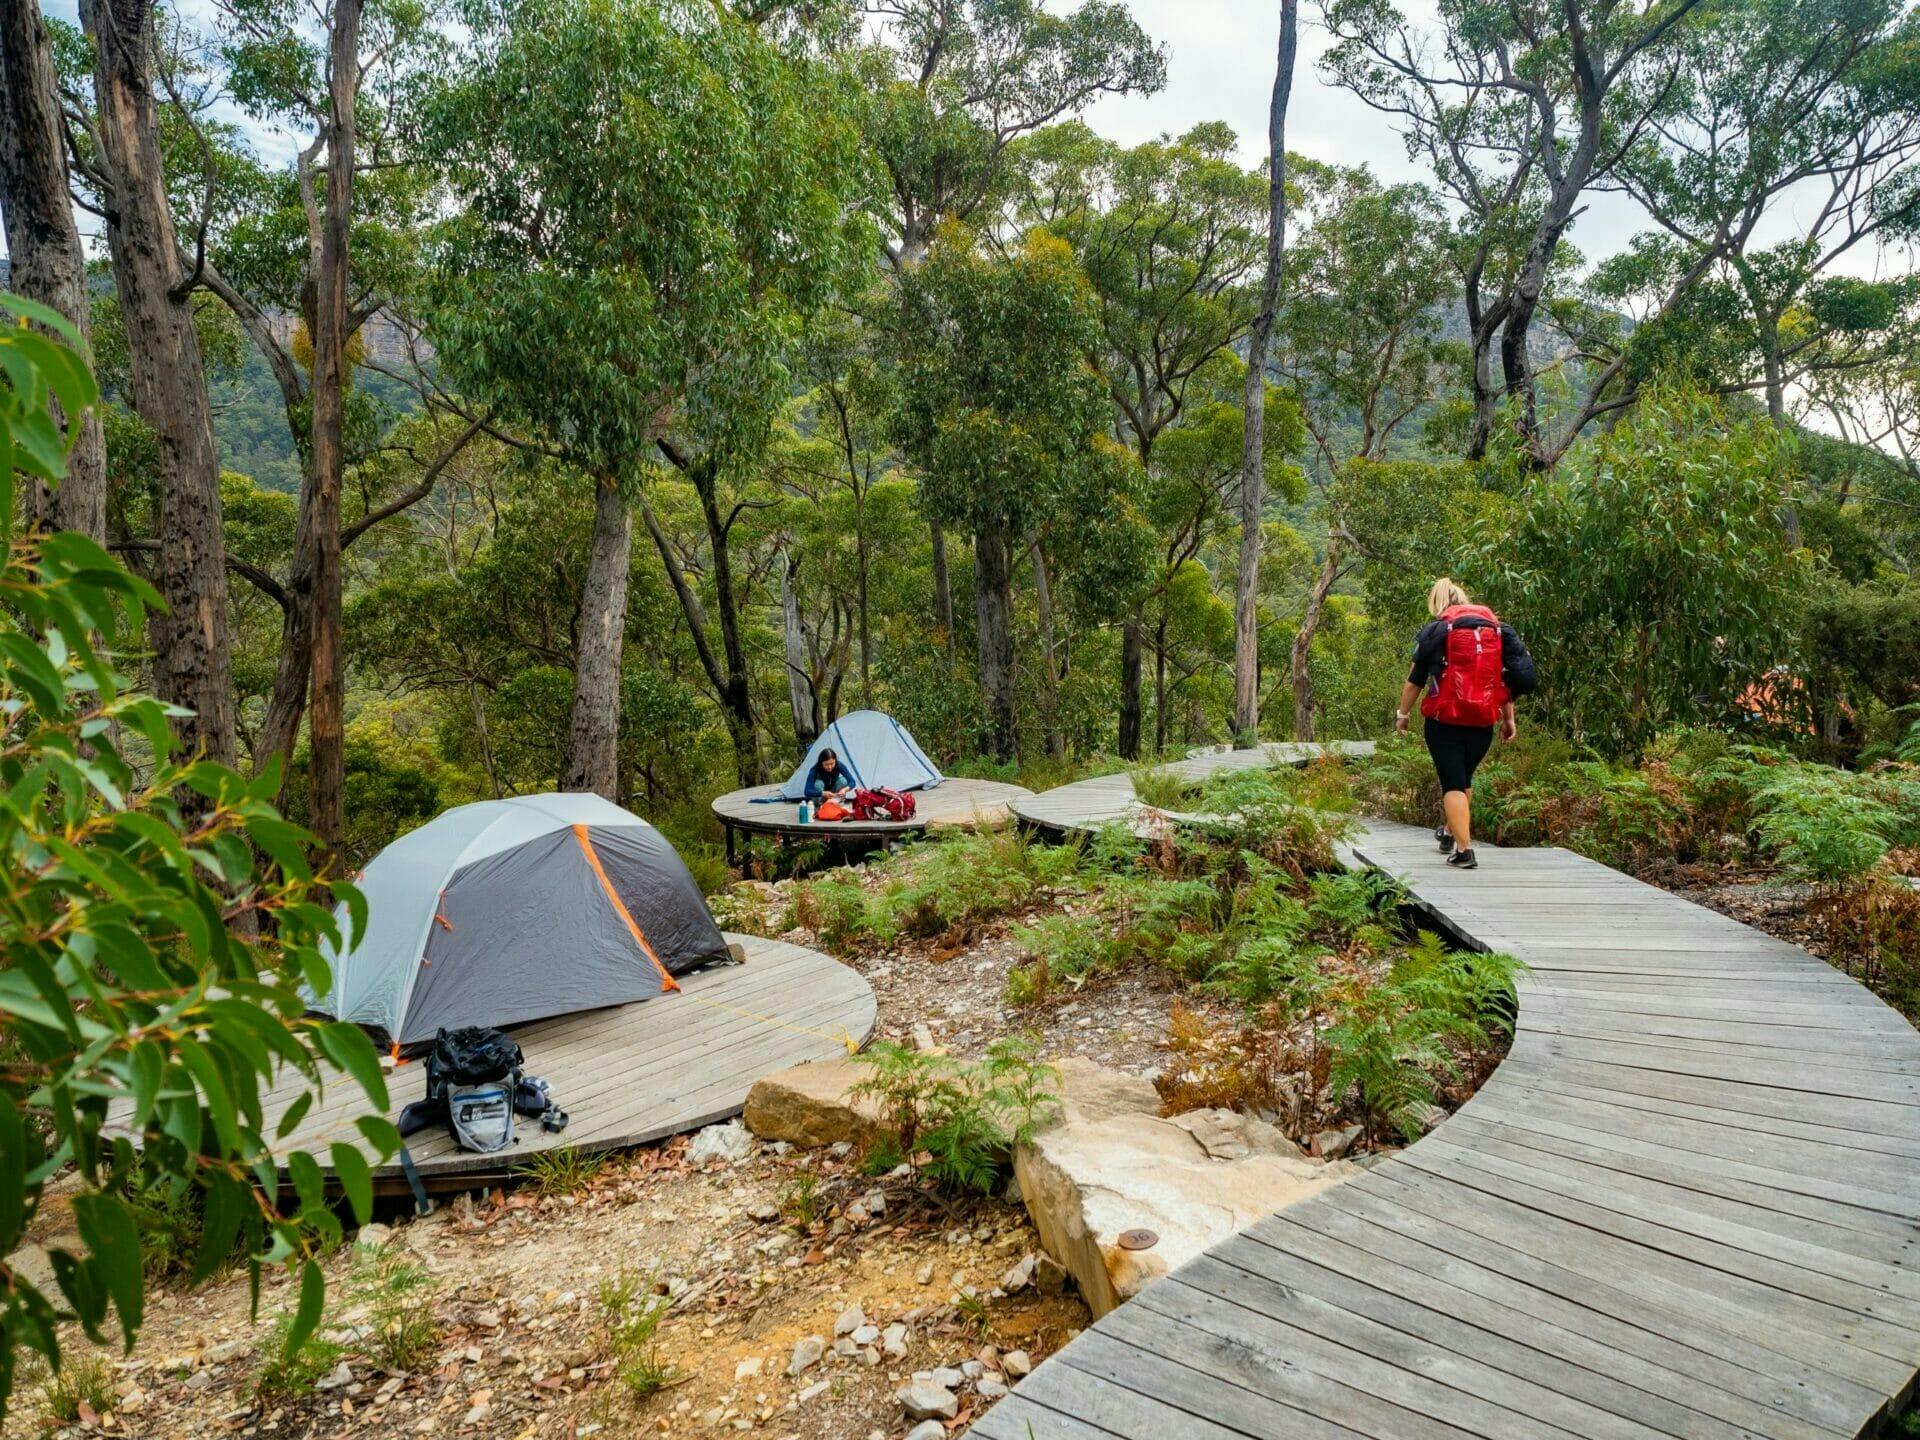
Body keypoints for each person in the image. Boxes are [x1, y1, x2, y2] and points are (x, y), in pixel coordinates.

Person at [1393, 578, 1535, 870]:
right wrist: (1508, 719)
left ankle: (1464, 851)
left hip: (1445, 721)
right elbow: (1502, 680)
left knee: (1453, 783)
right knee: (1464, 779)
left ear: (1438, 604)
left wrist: (1403, 715)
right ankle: (1449, 832)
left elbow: (1415, 681)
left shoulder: (1438, 631)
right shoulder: (1494, 631)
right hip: (1483, 721)